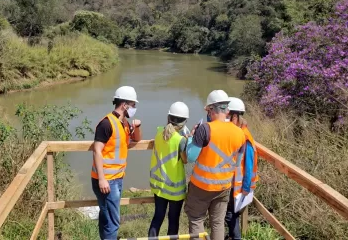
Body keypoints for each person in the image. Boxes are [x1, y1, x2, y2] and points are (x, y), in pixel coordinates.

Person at [184, 90, 246, 240]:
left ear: (211, 110)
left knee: (197, 219)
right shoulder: (240, 133)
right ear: (227, 110)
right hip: (224, 186)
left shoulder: (205, 128)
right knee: (218, 223)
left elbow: (191, 157)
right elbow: (237, 163)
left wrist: (191, 138)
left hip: (201, 186)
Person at [91, 86, 142, 240]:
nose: (134, 108)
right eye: (133, 105)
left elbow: (137, 139)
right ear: (124, 105)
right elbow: (97, 150)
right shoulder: (106, 124)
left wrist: (137, 127)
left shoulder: (124, 123)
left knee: (106, 216)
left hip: (117, 178)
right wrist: (102, 179)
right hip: (106, 180)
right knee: (113, 221)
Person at [148, 102, 189, 237]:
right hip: (175, 190)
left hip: (159, 186)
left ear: (168, 117)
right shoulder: (181, 140)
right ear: (184, 122)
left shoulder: (159, 132)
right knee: (173, 222)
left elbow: (166, 133)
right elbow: (185, 160)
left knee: (157, 218)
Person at [225, 97, 258, 240]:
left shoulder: (245, 137)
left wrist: (245, 187)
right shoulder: (239, 132)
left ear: (234, 116)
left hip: (241, 186)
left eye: (226, 115)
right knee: (232, 216)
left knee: (231, 216)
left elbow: (249, 165)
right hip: (236, 185)